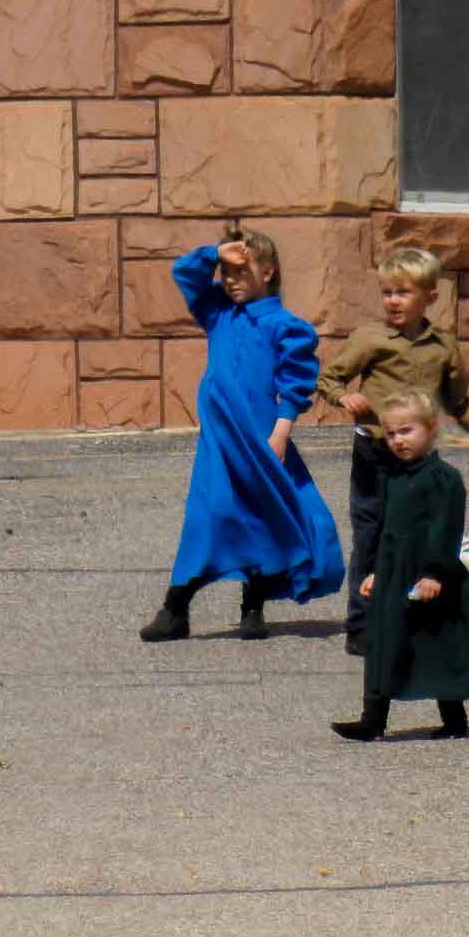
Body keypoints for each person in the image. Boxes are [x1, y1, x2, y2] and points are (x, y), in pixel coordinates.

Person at [138, 226, 345, 642]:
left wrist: (282, 431)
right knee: (209, 513)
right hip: (219, 442)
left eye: (240, 271)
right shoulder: (217, 313)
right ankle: (176, 606)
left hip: (260, 440)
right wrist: (215, 252)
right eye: (225, 272)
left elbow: (296, 381)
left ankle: (254, 604)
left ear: (267, 272)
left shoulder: (285, 326)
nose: (229, 280)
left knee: (262, 514)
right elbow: (185, 273)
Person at [316, 247, 469, 657]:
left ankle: (409, 613)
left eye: (403, 292)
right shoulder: (370, 338)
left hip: (418, 462)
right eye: (387, 293)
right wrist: (344, 397)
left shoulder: (443, 347)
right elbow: (329, 378)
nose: (393, 301)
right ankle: (362, 623)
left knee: (416, 536)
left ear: (430, 297)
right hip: (374, 451)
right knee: (370, 537)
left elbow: (459, 402)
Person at [331, 391, 469, 741]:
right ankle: (373, 720)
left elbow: (445, 530)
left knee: (437, 642)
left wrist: (434, 573)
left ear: (431, 428)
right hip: (394, 574)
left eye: (406, 431)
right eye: (392, 434)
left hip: (428, 575)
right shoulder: (393, 477)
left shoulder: (443, 479)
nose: (398, 441)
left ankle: (454, 718)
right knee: (382, 643)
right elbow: (388, 531)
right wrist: (377, 572)